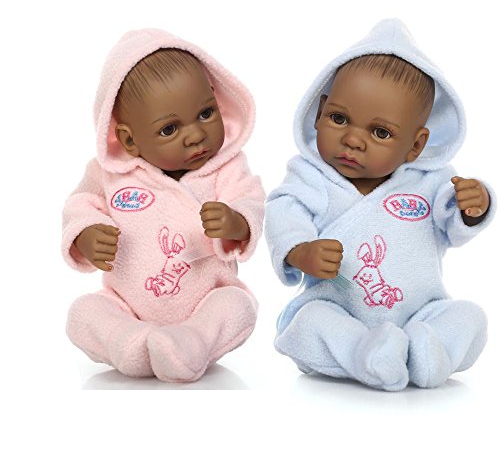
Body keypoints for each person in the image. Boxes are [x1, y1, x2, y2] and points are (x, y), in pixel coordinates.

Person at [265, 19, 495, 391]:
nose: (353, 140)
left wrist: (474, 207)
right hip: (338, 311)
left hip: (420, 313)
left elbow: (453, 223)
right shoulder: (311, 176)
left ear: (416, 145)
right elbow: (284, 211)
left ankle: (426, 352)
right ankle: (365, 354)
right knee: (309, 323)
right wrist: (299, 251)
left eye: (380, 132)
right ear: (320, 112)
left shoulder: (431, 180)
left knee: (471, 318)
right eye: (339, 119)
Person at [62, 29, 265, 382]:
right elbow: (80, 205)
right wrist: (85, 234)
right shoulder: (109, 175)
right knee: (83, 313)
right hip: (126, 305)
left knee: (238, 305)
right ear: (129, 139)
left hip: (206, 301)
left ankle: (191, 343)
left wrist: (237, 222)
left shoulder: (227, 168)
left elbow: (250, 199)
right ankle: (130, 342)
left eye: (206, 113)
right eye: (170, 129)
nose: (195, 134)